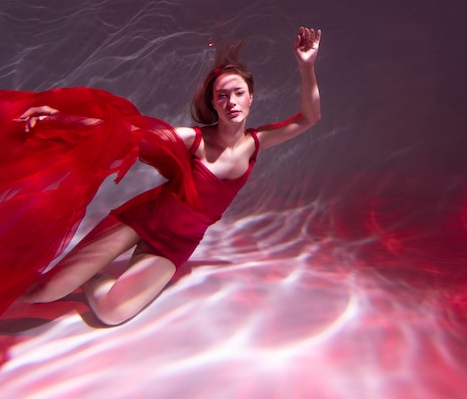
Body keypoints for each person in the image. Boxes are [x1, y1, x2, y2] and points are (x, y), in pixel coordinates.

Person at [18, 26, 322, 325]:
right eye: (222, 96)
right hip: (142, 219)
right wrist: (61, 121)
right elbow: (126, 133)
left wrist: (305, 66)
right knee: (42, 292)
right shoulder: (193, 139)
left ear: (251, 97)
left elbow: (310, 118)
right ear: (213, 103)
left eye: (238, 93)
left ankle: (90, 278)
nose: (231, 102)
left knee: (113, 313)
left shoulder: (258, 141)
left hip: (175, 244)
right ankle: (15, 277)